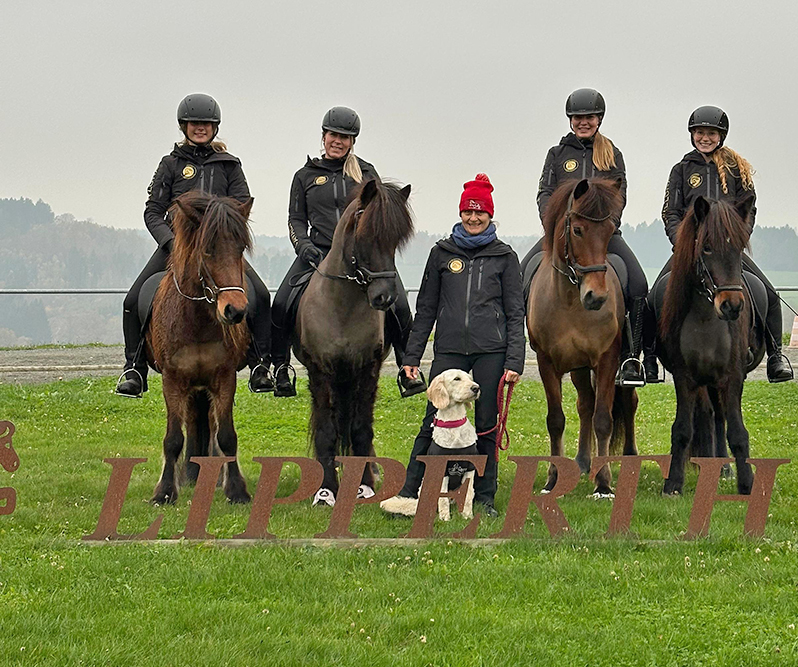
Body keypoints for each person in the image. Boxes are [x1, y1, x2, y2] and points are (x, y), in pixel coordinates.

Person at [115, 93, 273, 397]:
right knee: (132, 300)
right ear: (184, 126)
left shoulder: (229, 165)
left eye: (206, 123)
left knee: (261, 295)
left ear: (214, 127)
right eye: (194, 123)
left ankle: (260, 364)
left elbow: (241, 206)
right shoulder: (171, 164)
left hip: (220, 250)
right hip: (177, 248)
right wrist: (172, 242)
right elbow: (152, 211)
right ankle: (134, 368)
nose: (200, 128)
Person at [392, 174, 525, 517]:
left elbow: (515, 312)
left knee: (485, 424)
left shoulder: (505, 256)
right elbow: (425, 310)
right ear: (461, 213)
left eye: (480, 213)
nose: (473, 218)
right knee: (431, 421)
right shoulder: (441, 253)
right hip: (449, 349)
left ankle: (484, 497)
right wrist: (412, 357)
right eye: (468, 212)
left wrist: (514, 360)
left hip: (490, 351)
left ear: (490, 216)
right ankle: (411, 492)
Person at [269, 106, 424, 398]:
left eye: (345, 137)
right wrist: (303, 246)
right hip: (318, 253)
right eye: (333, 135)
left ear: (353, 141)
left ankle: (407, 367)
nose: (337, 141)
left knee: (400, 304)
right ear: (324, 136)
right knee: (282, 302)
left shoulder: (366, 173)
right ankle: (280, 367)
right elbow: (296, 219)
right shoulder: (305, 175)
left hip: (363, 256)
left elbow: (381, 213)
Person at [522, 88, 657, 386]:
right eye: (578, 117)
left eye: (589, 117)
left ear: (599, 119)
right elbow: (545, 193)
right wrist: (555, 227)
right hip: (563, 235)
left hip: (603, 235)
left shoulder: (612, 154)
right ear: (571, 119)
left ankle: (634, 358)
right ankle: (522, 345)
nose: (584, 122)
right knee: (522, 273)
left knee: (637, 282)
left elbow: (618, 196)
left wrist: (607, 226)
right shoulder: (557, 155)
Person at [661, 105, 793, 382]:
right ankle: (647, 356)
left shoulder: (737, 171)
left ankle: (776, 356)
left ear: (721, 135)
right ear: (692, 135)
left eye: (711, 133)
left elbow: (749, 210)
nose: (704, 138)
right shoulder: (681, 170)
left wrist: (737, 240)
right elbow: (670, 212)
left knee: (769, 294)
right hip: (690, 251)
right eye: (699, 133)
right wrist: (683, 244)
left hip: (727, 253)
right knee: (653, 295)